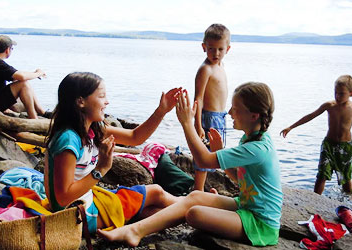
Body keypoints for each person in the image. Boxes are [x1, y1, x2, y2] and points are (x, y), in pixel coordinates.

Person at [99, 82, 283, 247]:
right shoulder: (251, 138)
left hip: (260, 223)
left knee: (194, 213)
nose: (229, 112)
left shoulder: (258, 148)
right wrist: (222, 157)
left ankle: (140, 226)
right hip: (246, 205)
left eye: (235, 108)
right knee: (195, 195)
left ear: (254, 115)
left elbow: (204, 160)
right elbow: (238, 177)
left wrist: (187, 123)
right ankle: (136, 230)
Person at [45, 72, 182, 235]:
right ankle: (196, 205)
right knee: (156, 192)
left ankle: (196, 210)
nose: (107, 101)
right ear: (81, 101)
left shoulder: (91, 129)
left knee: (153, 212)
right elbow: (63, 198)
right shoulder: (68, 140)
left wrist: (161, 111)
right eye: (102, 96)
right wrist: (101, 169)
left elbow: (135, 137)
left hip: (85, 204)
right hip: (75, 216)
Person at [280, 75, 352, 195]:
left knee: (345, 176)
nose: (337, 96)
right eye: (335, 93)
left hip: (346, 147)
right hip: (328, 145)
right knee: (322, 175)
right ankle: (316, 198)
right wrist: (291, 127)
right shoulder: (329, 106)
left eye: (341, 94)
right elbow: (310, 116)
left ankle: (350, 199)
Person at [192, 23, 231, 191]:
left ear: (228, 49)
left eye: (220, 49)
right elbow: (198, 99)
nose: (216, 53)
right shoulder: (205, 69)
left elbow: (220, 91)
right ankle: (198, 189)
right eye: (211, 49)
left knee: (216, 154)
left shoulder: (220, 66)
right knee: (203, 155)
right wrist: (198, 124)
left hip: (220, 116)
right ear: (203, 47)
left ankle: (207, 186)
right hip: (208, 117)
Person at [0, 35, 47, 119]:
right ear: (7, 50)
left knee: (20, 81)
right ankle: (34, 119)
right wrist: (38, 73)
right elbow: (22, 76)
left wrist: (34, 73)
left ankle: (41, 112)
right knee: (23, 84)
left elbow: (16, 76)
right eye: (12, 49)